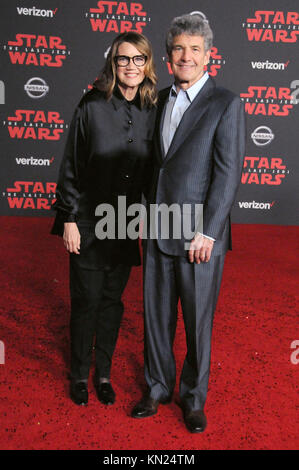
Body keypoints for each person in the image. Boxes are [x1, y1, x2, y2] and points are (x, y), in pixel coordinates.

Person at [131, 14, 246, 432]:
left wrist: (210, 231)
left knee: (198, 322)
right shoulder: (157, 99)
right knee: (156, 317)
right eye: (179, 48)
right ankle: (158, 387)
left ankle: (193, 398)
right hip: (159, 225)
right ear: (168, 54)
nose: (186, 56)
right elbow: (154, 167)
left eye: (195, 49)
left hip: (200, 235)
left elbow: (227, 173)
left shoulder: (226, 103)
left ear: (208, 55)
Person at [51, 32, 157, 406]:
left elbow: (153, 171)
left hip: (125, 222)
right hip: (87, 221)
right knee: (87, 300)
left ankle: (104, 374)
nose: (131, 67)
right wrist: (68, 219)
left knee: (113, 301)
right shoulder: (92, 105)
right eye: (123, 60)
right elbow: (72, 166)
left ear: (147, 64)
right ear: (113, 64)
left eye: (138, 59)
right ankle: (79, 374)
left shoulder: (152, 109)